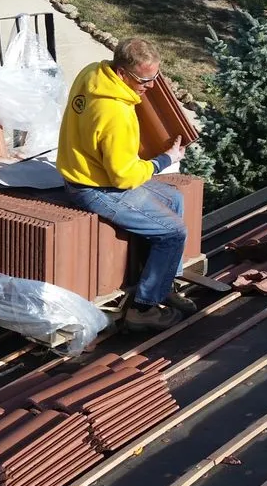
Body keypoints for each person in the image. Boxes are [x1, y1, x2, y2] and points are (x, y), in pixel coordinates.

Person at [56, 37, 196, 331]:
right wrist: (164, 160)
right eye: (144, 80)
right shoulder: (114, 113)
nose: (152, 86)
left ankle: (162, 284)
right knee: (173, 232)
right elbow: (123, 177)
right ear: (122, 73)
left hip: (90, 173)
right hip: (95, 189)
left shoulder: (94, 72)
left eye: (156, 77)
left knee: (175, 199)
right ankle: (143, 310)